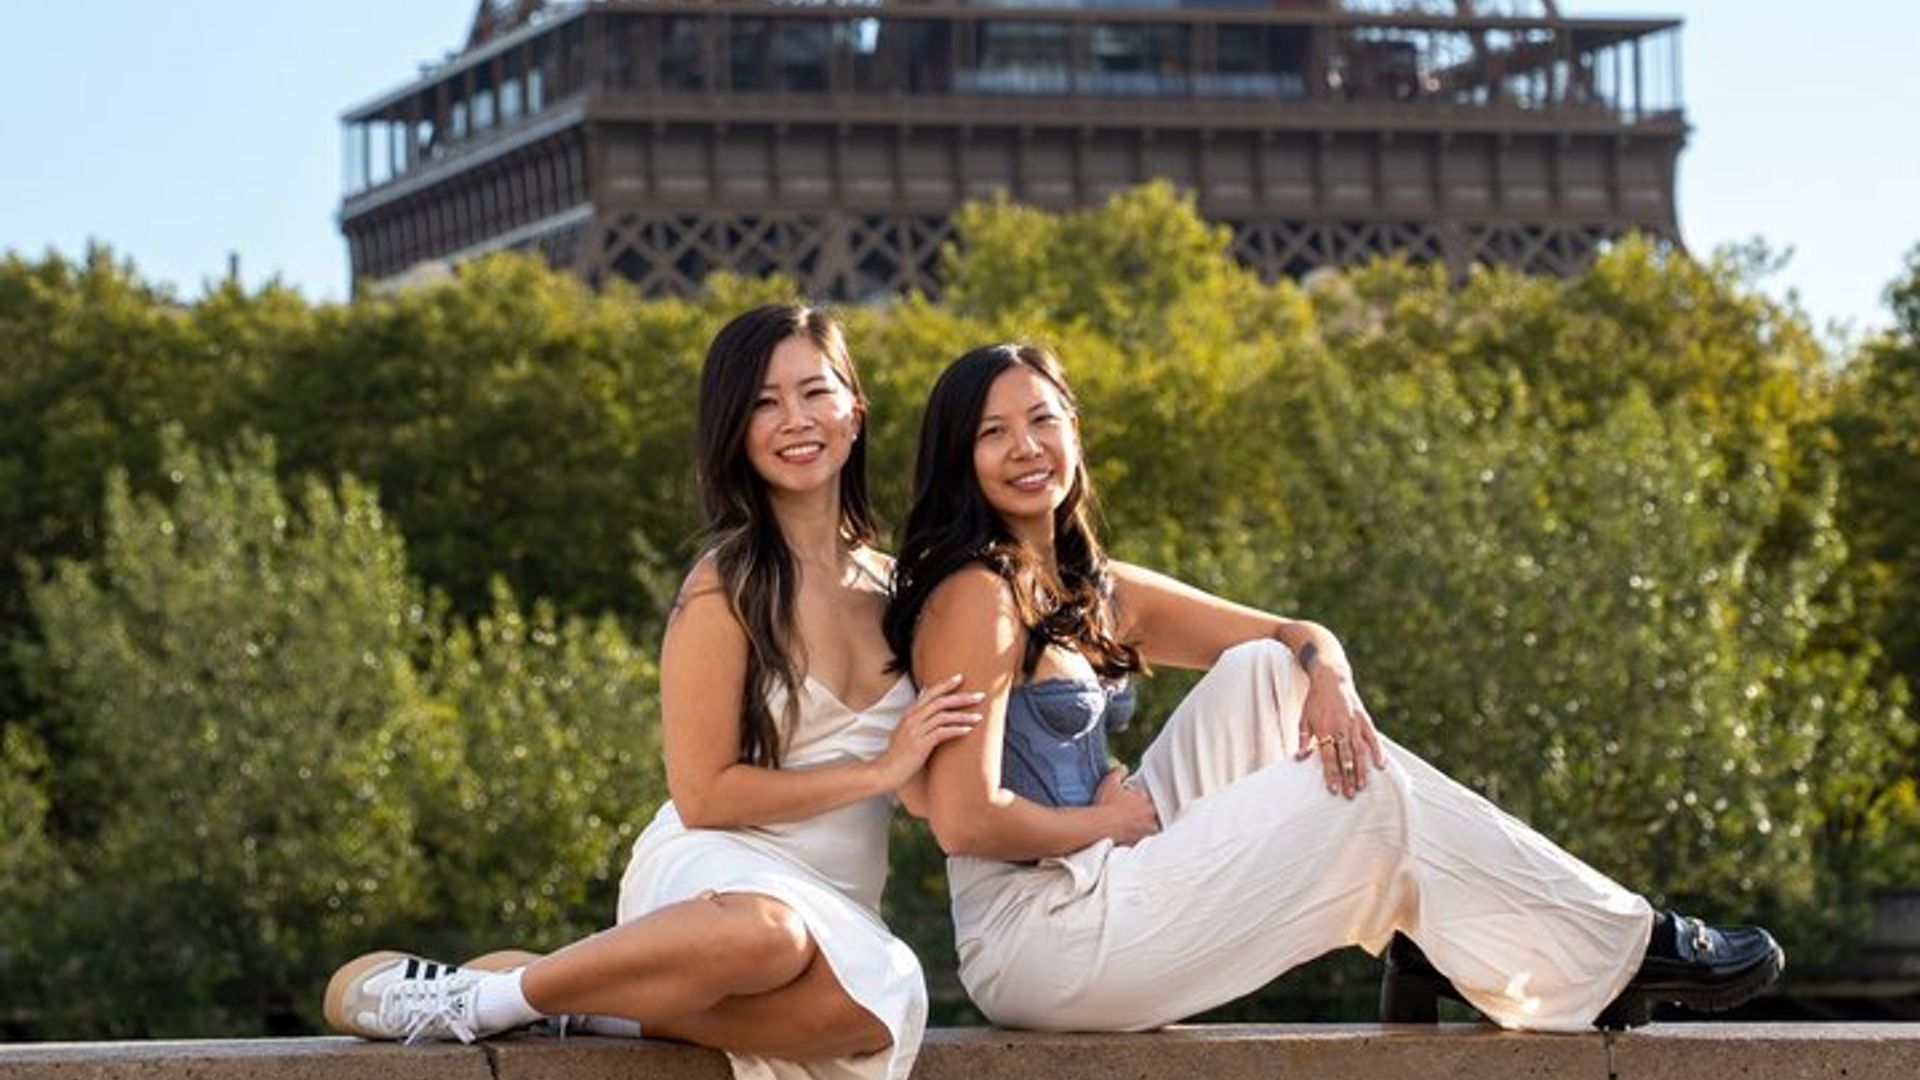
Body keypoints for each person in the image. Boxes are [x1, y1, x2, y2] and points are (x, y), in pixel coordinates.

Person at [882, 342, 1784, 1034]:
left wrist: (1333, 677)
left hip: (1102, 873)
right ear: (960, 459)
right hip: (1039, 939)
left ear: (1074, 426)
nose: (1024, 448)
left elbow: (1293, 634)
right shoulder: (978, 593)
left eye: (1041, 420)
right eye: (991, 433)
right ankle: (1626, 945)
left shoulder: (1091, 586)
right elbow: (962, 818)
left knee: (1271, 672)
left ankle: (1428, 937)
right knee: (1367, 798)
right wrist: (1106, 824)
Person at [324, 305, 982, 1080]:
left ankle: (582, 1000)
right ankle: (486, 1003)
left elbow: (929, 797)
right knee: (770, 935)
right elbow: (704, 795)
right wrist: (877, 770)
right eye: (764, 403)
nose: (795, 420)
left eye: (815, 392)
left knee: (880, 1008)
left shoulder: (905, 590)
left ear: (855, 409)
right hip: (720, 871)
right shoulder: (724, 586)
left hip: (838, 899)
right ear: (733, 429)